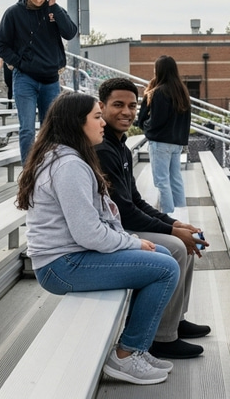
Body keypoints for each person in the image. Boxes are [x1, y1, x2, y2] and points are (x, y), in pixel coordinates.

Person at [16, 91, 179, 386]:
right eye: (96, 116)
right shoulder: (68, 166)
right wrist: (133, 242)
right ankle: (126, 355)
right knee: (165, 268)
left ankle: (136, 349)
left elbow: (97, 223)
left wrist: (128, 239)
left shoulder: (68, 158)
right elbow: (88, 232)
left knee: (164, 258)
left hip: (69, 257)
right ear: (77, 123)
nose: (103, 122)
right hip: (61, 265)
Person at [96, 78, 211, 358]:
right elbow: (124, 212)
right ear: (101, 106)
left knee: (186, 239)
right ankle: (161, 337)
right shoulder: (101, 150)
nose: (126, 112)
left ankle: (175, 321)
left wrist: (175, 224)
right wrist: (173, 233)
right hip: (111, 232)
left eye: (132, 106)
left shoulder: (121, 147)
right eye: (118, 105)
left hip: (124, 225)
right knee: (176, 247)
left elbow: (135, 200)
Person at [0, 0, 78, 164]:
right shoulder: (13, 13)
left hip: (50, 79)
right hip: (25, 78)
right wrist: (21, 63)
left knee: (49, 127)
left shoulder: (53, 10)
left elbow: (70, 32)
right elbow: (2, 46)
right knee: (26, 128)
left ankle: (47, 168)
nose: (39, 0)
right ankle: (28, 173)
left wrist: (55, 8)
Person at [137, 56, 192, 215]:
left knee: (162, 181)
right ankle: (180, 212)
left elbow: (155, 121)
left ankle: (168, 215)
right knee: (175, 178)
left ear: (159, 70)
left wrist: (145, 126)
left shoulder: (159, 92)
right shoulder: (181, 91)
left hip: (160, 142)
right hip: (176, 143)